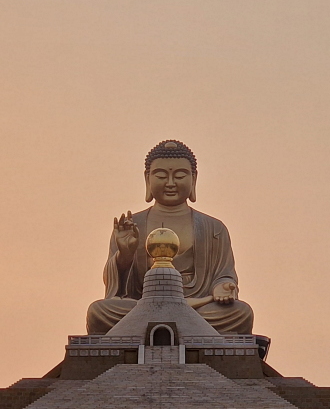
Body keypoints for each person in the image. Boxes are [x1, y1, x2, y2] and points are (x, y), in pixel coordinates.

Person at [86, 140, 253, 335]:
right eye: (161, 175)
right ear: (147, 179)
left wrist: (223, 287)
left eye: (180, 175)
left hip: (199, 309)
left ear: (194, 178)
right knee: (99, 312)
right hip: (143, 307)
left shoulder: (214, 228)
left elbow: (224, 274)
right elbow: (118, 291)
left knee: (241, 313)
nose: (171, 183)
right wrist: (125, 255)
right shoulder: (132, 225)